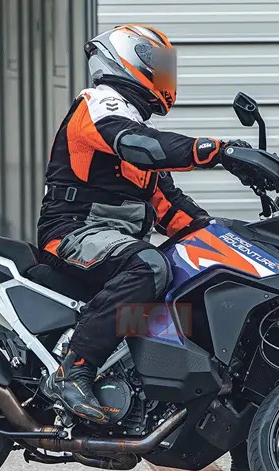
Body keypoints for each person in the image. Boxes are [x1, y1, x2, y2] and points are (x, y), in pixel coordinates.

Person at [38, 24, 249, 425]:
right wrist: (218, 151)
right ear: (126, 58)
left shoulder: (135, 130)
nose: (167, 74)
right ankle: (74, 369)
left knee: (192, 274)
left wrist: (229, 239)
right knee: (150, 265)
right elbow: (143, 145)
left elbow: (172, 210)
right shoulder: (99, 104)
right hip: (72, 232)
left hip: (110, 241)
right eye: (158, 63)